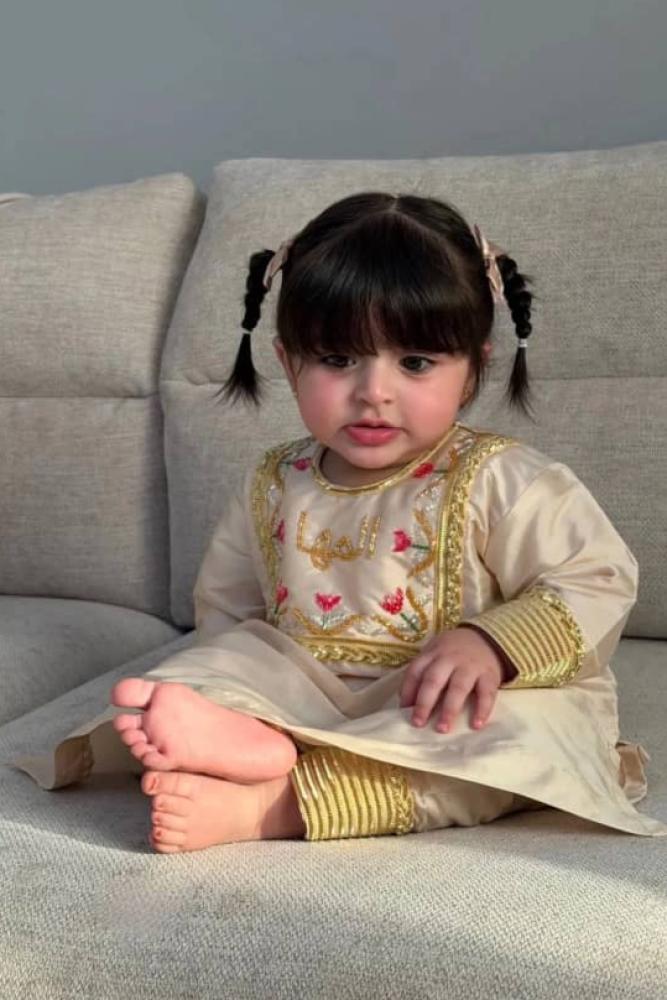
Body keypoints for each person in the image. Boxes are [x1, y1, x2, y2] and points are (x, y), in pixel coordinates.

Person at [12, 192, 667, 852]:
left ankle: (276, 804)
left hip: (440, 708)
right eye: (337, 360)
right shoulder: (277, 480)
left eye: (415, 363)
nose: (373, 392)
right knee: (174, 684)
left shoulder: (502, 480)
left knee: (516, 744)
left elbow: (596, 579)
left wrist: (490, 645)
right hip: (303, 694)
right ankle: (252, 738)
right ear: (287, 361)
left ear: (473, 368)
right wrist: (232, 683)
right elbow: (229, 607)